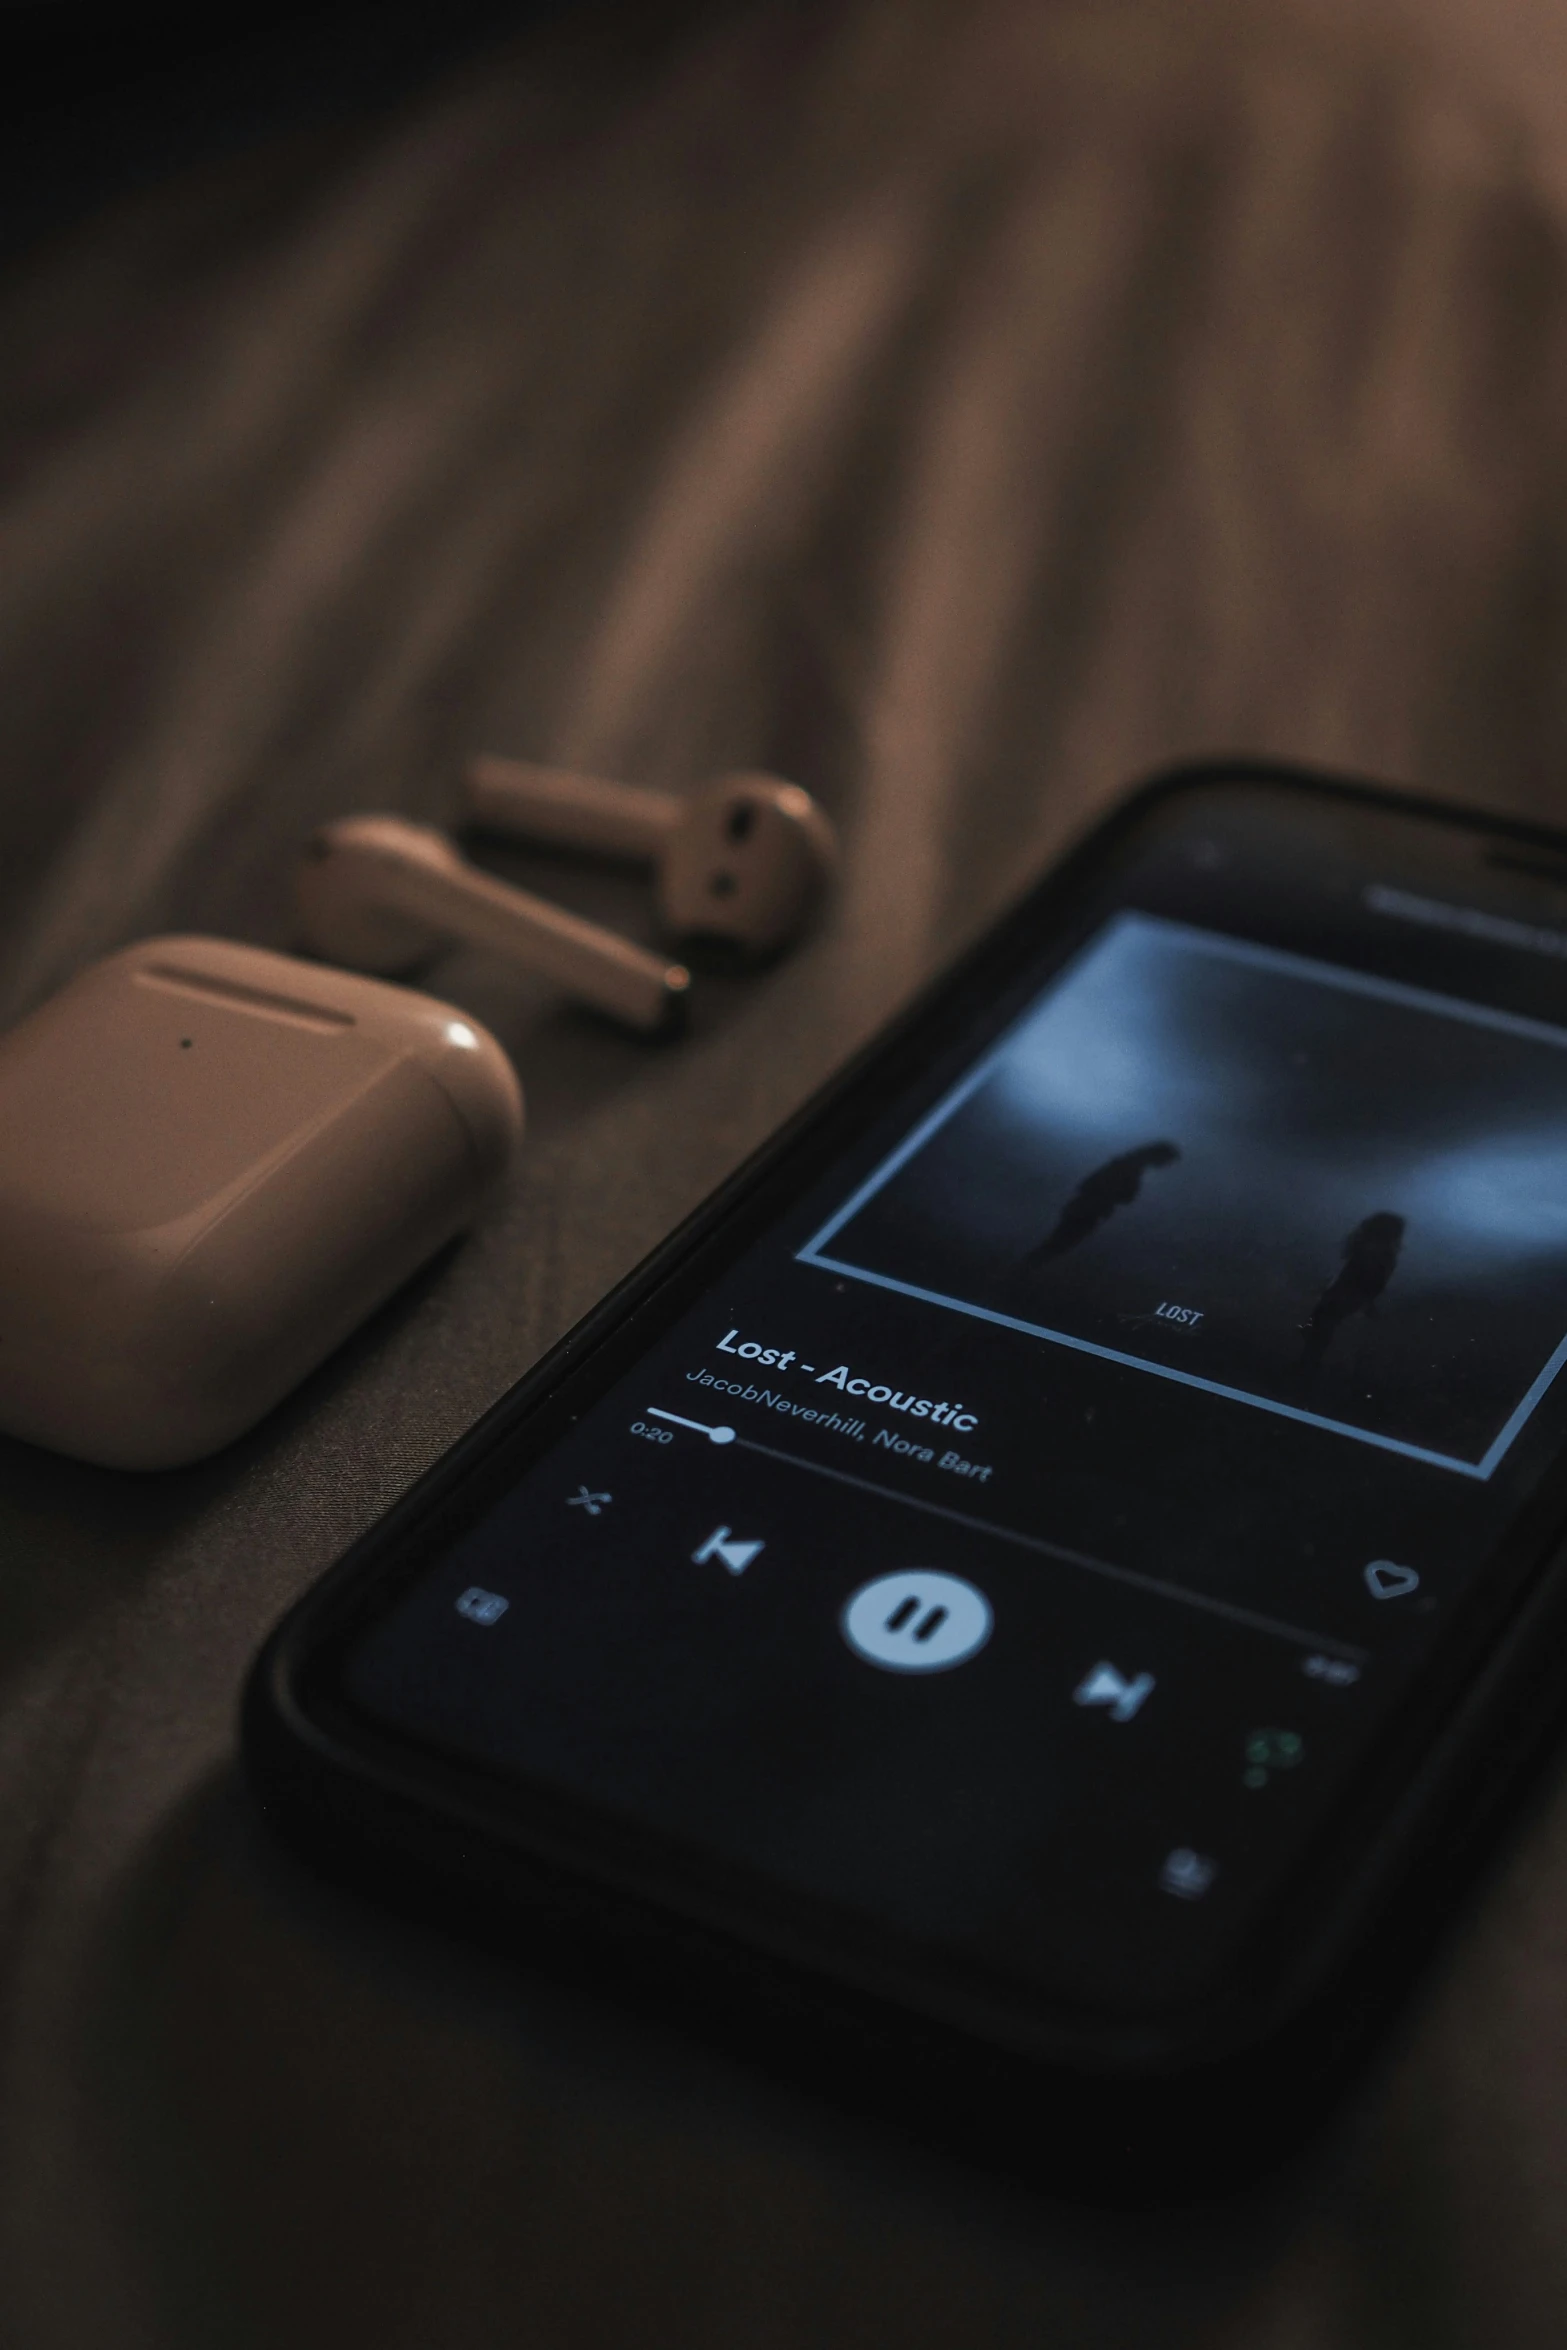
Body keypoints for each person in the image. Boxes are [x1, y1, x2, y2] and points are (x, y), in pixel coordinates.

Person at [1023, 1140, 1180, 1266]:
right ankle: (1021, 1273)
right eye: (1167, 1160)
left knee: (1055, 1246)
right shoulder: (1128, 1167)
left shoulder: (1127, 1165)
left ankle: (1022, 1271)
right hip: (1087, 1210)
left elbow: (1091, 1185)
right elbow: (1120, 1194)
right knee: (1056, 1246)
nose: (1166, 1165)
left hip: (1086, 1209)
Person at [1299, 1210, 1405, 1371]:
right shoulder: (1380, 1252)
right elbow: (1368, 1279)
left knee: (1321, 1331)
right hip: (1347, 1297)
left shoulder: (1372, 1250)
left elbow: (1360, 1277)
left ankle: (1306, 1366)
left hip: (1345, 1296)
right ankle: (1307, 1365)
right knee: (1321, 1331)